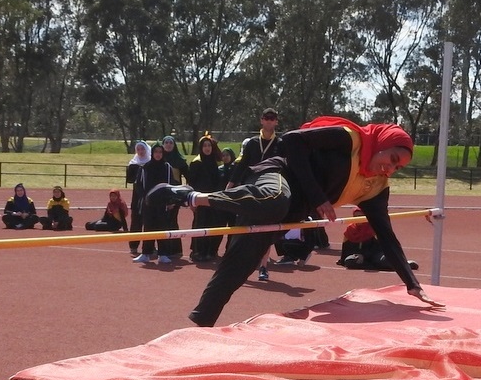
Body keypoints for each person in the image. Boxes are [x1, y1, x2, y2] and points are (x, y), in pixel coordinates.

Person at [146, 115, 445, 327]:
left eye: (398, 168)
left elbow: (386, 234)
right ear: (383, 143)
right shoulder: (348, 139)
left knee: (243, 262)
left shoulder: (376, 186)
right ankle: (192, 197)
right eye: (392, 159)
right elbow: (291, 142)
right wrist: (319, 197)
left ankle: (201, 323)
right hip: (278, 176)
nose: (391, 169)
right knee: (277, 200)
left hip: (291, 209)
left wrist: (412, 284)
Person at [228, 108, 283, 281]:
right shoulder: (252, 143)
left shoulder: (280, 144)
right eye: (266, 118)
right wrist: (230, 184)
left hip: (270, 190)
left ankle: (263, 267)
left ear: (276, 122)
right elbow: (242, 165)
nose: (268, 121)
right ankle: (236, 265)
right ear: (261, 120)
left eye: (272, 118)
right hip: (250, 188)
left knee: (266, 229)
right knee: (242, 226)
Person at [131, 142, 179, 264]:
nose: (158, 154)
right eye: (156, 152)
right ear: (152, 153)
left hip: (162, 204)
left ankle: (163, 254)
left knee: (162, 227)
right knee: (148, 227)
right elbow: (138, 184)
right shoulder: (145, 167)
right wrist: (145, 197)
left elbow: (171, 185)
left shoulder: (167, 167)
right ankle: (146, 253)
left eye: (160, 152)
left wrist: (170, 201)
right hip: (148, 204)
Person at [187, 134, 224, 262]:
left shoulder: (216, 162)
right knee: (199, 223)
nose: (207, 148)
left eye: (209, 145)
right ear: (200, 147)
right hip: (200, 199)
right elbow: (191, 183)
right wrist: (192, 201)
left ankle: (210, 251)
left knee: (213, 223)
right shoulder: (196, 162)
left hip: (214, 199)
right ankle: (198, 251)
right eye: (204, 146)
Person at [336, 218, 419, 271]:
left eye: (361, 215)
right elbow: (345, 245)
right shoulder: (350, 229)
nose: (358, 219)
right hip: (359, 256)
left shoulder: (374, 227)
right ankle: (375, 265)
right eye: (356, 216)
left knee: (386, 260)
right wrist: (342, 260)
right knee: (349, 261)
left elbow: (385, 244)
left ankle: (405, 264)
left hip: (376, 254)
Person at [161, 135, 189, 258]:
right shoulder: (158, 158)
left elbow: (189, 177)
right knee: (161, 221)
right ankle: (162, 248)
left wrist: (185, 193)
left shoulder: (179, 160)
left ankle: (175, 250)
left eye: (170, 143)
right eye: (166, 142)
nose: (168, 145)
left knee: (171, 221)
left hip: (174, 193)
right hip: (161, 193)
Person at [127, 141, 151, 255]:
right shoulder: (133, 163)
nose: (141, 152)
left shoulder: (151, 163)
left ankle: (149, 247)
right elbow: (130, 180)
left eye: (143, 149)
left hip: (149, 195)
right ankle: (133, 245)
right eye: (138, 149)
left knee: (149, 222)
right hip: (137, 196)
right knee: (135, 221)